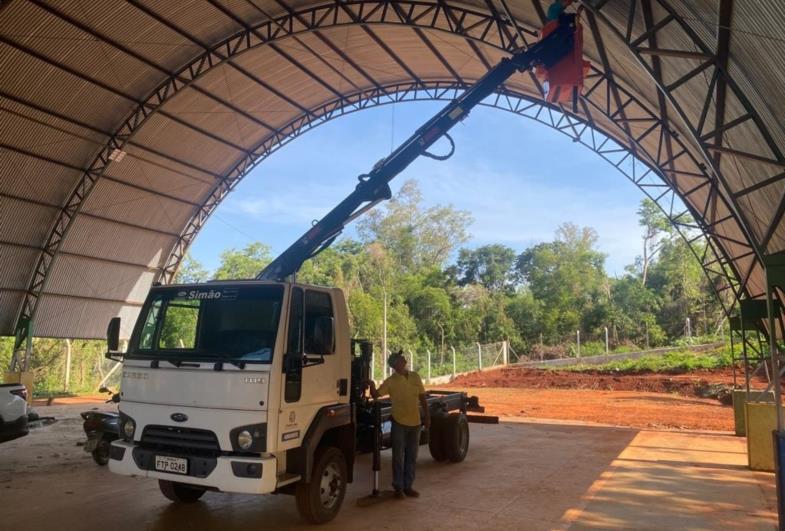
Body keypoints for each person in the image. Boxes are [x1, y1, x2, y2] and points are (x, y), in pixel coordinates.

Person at [367, 351, 431, 499]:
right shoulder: (391, 381)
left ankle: (408, 486)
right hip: (399, 423)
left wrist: (427, 417)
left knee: (411, 456)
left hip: (415, 423)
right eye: (401, 358)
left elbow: (422, 398)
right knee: (398, 457)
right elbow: (376, 395)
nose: (404, 359)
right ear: (396, 364)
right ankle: (398, 487)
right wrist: (371, 385)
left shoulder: (415, 376)